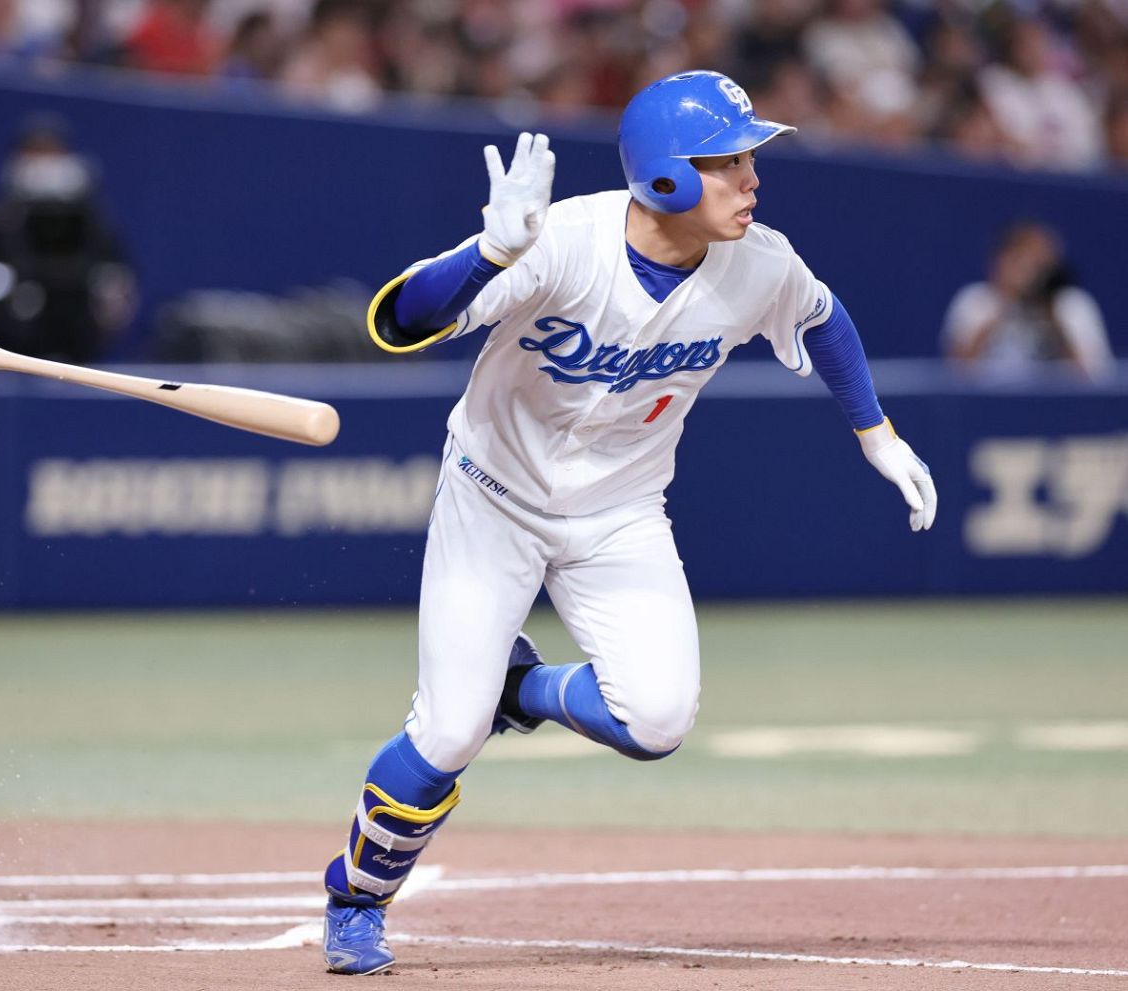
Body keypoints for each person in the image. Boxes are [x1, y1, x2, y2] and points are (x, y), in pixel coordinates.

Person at [320, 69, 938, 976]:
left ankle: (519, 690)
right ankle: (357, 900)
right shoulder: (560, 241)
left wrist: (875, 432)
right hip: (493, 497)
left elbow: (825, 317)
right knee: (446, 733)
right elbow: (398, 321)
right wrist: (491, 255)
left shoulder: (760, 258)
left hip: (619, 514)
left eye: (750, 159)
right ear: (666, 177)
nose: (752, 180)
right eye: (728, 162)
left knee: (656, 720)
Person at [0, 114, 137, 363]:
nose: (43, 163)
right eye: (34, 152)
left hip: (80, 351)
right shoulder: (0, 220)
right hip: (13, 350)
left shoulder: (93, 221)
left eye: (51, 153)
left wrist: (112, 295)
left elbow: (123, 285)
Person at [942, 221, 1114, 381]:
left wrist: (1053, 316)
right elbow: (957, 374)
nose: (1032, 273)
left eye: (1041, 265)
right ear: (1001, 261)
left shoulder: (1072, 304)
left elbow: (1093, 378)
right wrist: (1007, 302)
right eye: (1022, 261)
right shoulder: (975, 300)